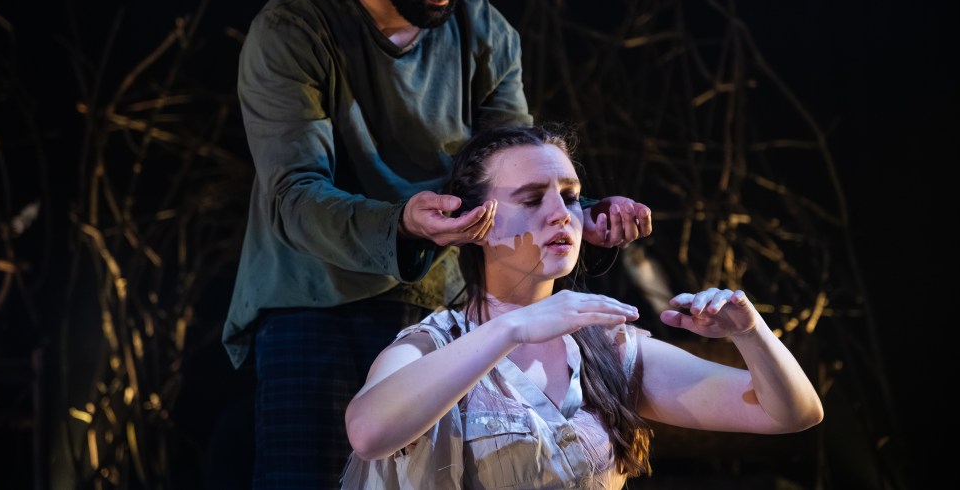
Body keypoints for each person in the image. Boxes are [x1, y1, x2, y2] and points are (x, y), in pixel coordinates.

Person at [221, 0, 654, 488]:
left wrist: (580, 216)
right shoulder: (296, 28)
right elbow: (295, 196)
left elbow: (512, 168)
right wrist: (402, 222)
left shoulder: (487, 34)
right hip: (316, 302)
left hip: (446, 307)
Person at [341, 124, 824, 489]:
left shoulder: (607, 349)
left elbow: (792, 413)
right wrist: (512, 328)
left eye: (570, 197)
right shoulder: (432, 345)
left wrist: (750, 333)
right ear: (474, 222)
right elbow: (368, 433)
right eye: (532, 198)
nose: (562, 214)